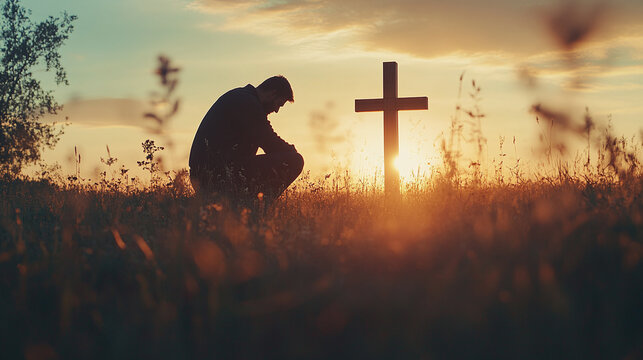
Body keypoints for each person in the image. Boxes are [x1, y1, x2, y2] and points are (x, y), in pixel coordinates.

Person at [189, 75, 304, 205]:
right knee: (295, 161)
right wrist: (291, 152)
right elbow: (269, 142)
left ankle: (245, 204)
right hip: (215, 176)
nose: (276, 110)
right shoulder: (247, 103)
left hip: (207, 175)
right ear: (272, 94)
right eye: (279, 104)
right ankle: (255, 208)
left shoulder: (242, 98)